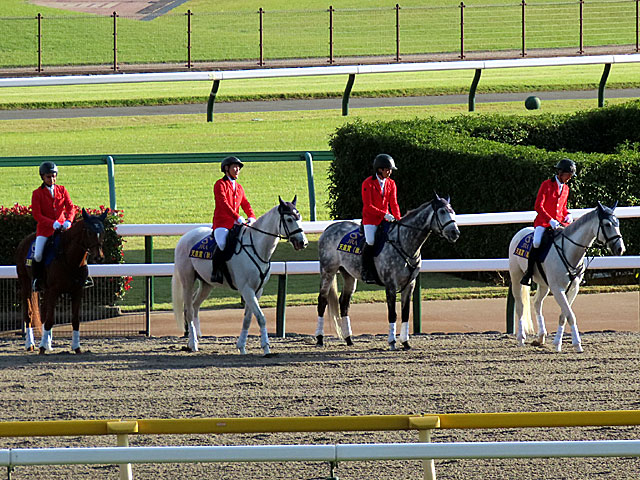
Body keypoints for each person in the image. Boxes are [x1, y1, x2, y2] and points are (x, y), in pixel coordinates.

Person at [520, 158, 577, 286]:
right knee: (536, 242)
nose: (569, 178)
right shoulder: (546, 185)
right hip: (544, 222)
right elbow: (538, 206)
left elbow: (562, 207)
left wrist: (567, 214)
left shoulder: (566, 188)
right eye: (568, 175)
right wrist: (550, 220)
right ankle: (529, 273)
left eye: (571, 175)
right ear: (560, 173)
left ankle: (573, 272)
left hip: (560, 223)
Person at [30, 161, 76, 292]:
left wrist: (69, 221)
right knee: (38, 255)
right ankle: (37, 280)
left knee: (77, 247)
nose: (52, 179)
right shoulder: (37, 193)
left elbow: (71, 207)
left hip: (63, 229)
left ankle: (82, 276)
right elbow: (37, 215)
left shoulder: (62, 190)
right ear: (43, 177)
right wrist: (52, 223)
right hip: (45, 231)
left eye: (54, 176)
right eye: (49, 177)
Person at [210, 156, 256, 284]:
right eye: (235, 167)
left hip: (236, 223)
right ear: (226, 168)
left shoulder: (239, 187)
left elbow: (245, 203)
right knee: (222, 243)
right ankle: (216, 272)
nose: (237, 170)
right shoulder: (220, 184)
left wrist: (252, 216)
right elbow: (223, 203)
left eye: (238, 168)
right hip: (222, 223)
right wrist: (238, 217)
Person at [360, 153, 402, 284]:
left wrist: (398, 218)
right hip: (370, 219)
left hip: (386, 218)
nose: (390, 172)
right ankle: (366, 270)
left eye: (390, 170)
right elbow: (368, 206)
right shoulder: (368, 183)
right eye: (387, 170)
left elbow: (394, 203)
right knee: (371, 241)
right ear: (380, 169)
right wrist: (384, 214)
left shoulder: (391, 183)